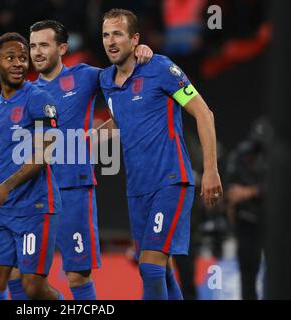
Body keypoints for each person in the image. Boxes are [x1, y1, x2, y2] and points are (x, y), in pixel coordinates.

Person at [6, 19, 153, 300]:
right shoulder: (22, 92)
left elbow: (125, 77)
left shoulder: (85, 76)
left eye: (44, 45)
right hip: (34, 194)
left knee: (77, 275)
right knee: (21, 276)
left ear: (62, 48)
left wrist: (140, 53)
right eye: (33, 46)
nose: (37, 52)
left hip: (73, 189)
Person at [98, 9, 223, 300]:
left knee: (151, 267)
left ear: (135, 39)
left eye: (118, 34)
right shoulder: (106, 81)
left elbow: (204, 114)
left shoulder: (161, 69)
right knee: (158, 270)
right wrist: (86, 141)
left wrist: (210, 170)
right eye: (106, 35)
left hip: (170, 181)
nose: (110, 41)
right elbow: (124, 117)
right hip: (137, 190)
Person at [0, 32, 63, 300]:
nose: (18, 63)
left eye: (23, 58)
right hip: (4, 208)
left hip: (35, 206)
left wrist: (5, 188)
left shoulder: (40, 99)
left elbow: (43, 155)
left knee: (33, 287)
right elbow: (0, 156)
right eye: (10, 57)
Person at [225, 117, 270, 300]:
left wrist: (250, 191)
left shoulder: (277, 155)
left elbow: (279, 188)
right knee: (247, 269)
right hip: (246, 220)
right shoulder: (241, 154)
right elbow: (230, 185)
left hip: (271, 221)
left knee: (276, 270)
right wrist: (232, 198)